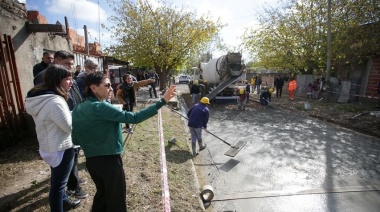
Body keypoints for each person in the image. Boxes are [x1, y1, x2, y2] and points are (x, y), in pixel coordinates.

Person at [71, 71, 176, 211]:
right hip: (109, 161)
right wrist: (162, 102)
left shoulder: (78, 108)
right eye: (107, 85)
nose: (111, 88)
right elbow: (134, 118)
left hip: (92, 162)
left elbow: (75, 138)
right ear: (93, 88)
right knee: (116, 199)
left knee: (102, 194)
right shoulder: (101, 107)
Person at [25, 64, 81, 211]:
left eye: (72, 78)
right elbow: (68, 127)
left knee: (57, 180)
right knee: (58, 186)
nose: (71, 82)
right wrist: (74, 115)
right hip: (61, 147)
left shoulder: (40, 96)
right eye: (67, 79)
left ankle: (65, 201)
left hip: (48, 146)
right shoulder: (56, 101)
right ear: (57, 80)